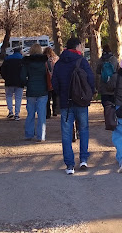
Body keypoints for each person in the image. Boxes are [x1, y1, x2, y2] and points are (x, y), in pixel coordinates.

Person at [51, 36, 95, 174]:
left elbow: (55, 82)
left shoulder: (59, 63)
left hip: (66, 103)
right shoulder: (82, 62)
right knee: (84, 130)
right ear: (77, 47)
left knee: (66, 133)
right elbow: (91, 80)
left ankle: (69, 165)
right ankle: (83, 159)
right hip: (81, 102)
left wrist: (62, 94)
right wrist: (90, 94)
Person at [20, 44, 49, 141]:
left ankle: (29, 134)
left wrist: (27, 84)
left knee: (30, 114)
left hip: (31, 90)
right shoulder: (45, 61)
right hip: (43, 90)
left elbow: (22, 76)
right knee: (41, 114)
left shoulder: (26, 62)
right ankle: (41, 136)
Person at [0, 46, 24, 120]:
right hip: (19, 82)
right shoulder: (23, 59)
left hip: (9, 81)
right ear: (20, 52)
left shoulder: (7, 59)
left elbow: (2, 69)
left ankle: (10, 111)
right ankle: (17, 114)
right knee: (18, 98)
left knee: (9, 96)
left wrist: (5, 77)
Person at [43, 46, 60, 118]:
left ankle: (48, 113)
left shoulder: (43, 60)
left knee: (47, 98)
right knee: (55, 97)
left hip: (46, 80)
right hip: (56, 80)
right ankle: (55, 111)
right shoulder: (56, 59)